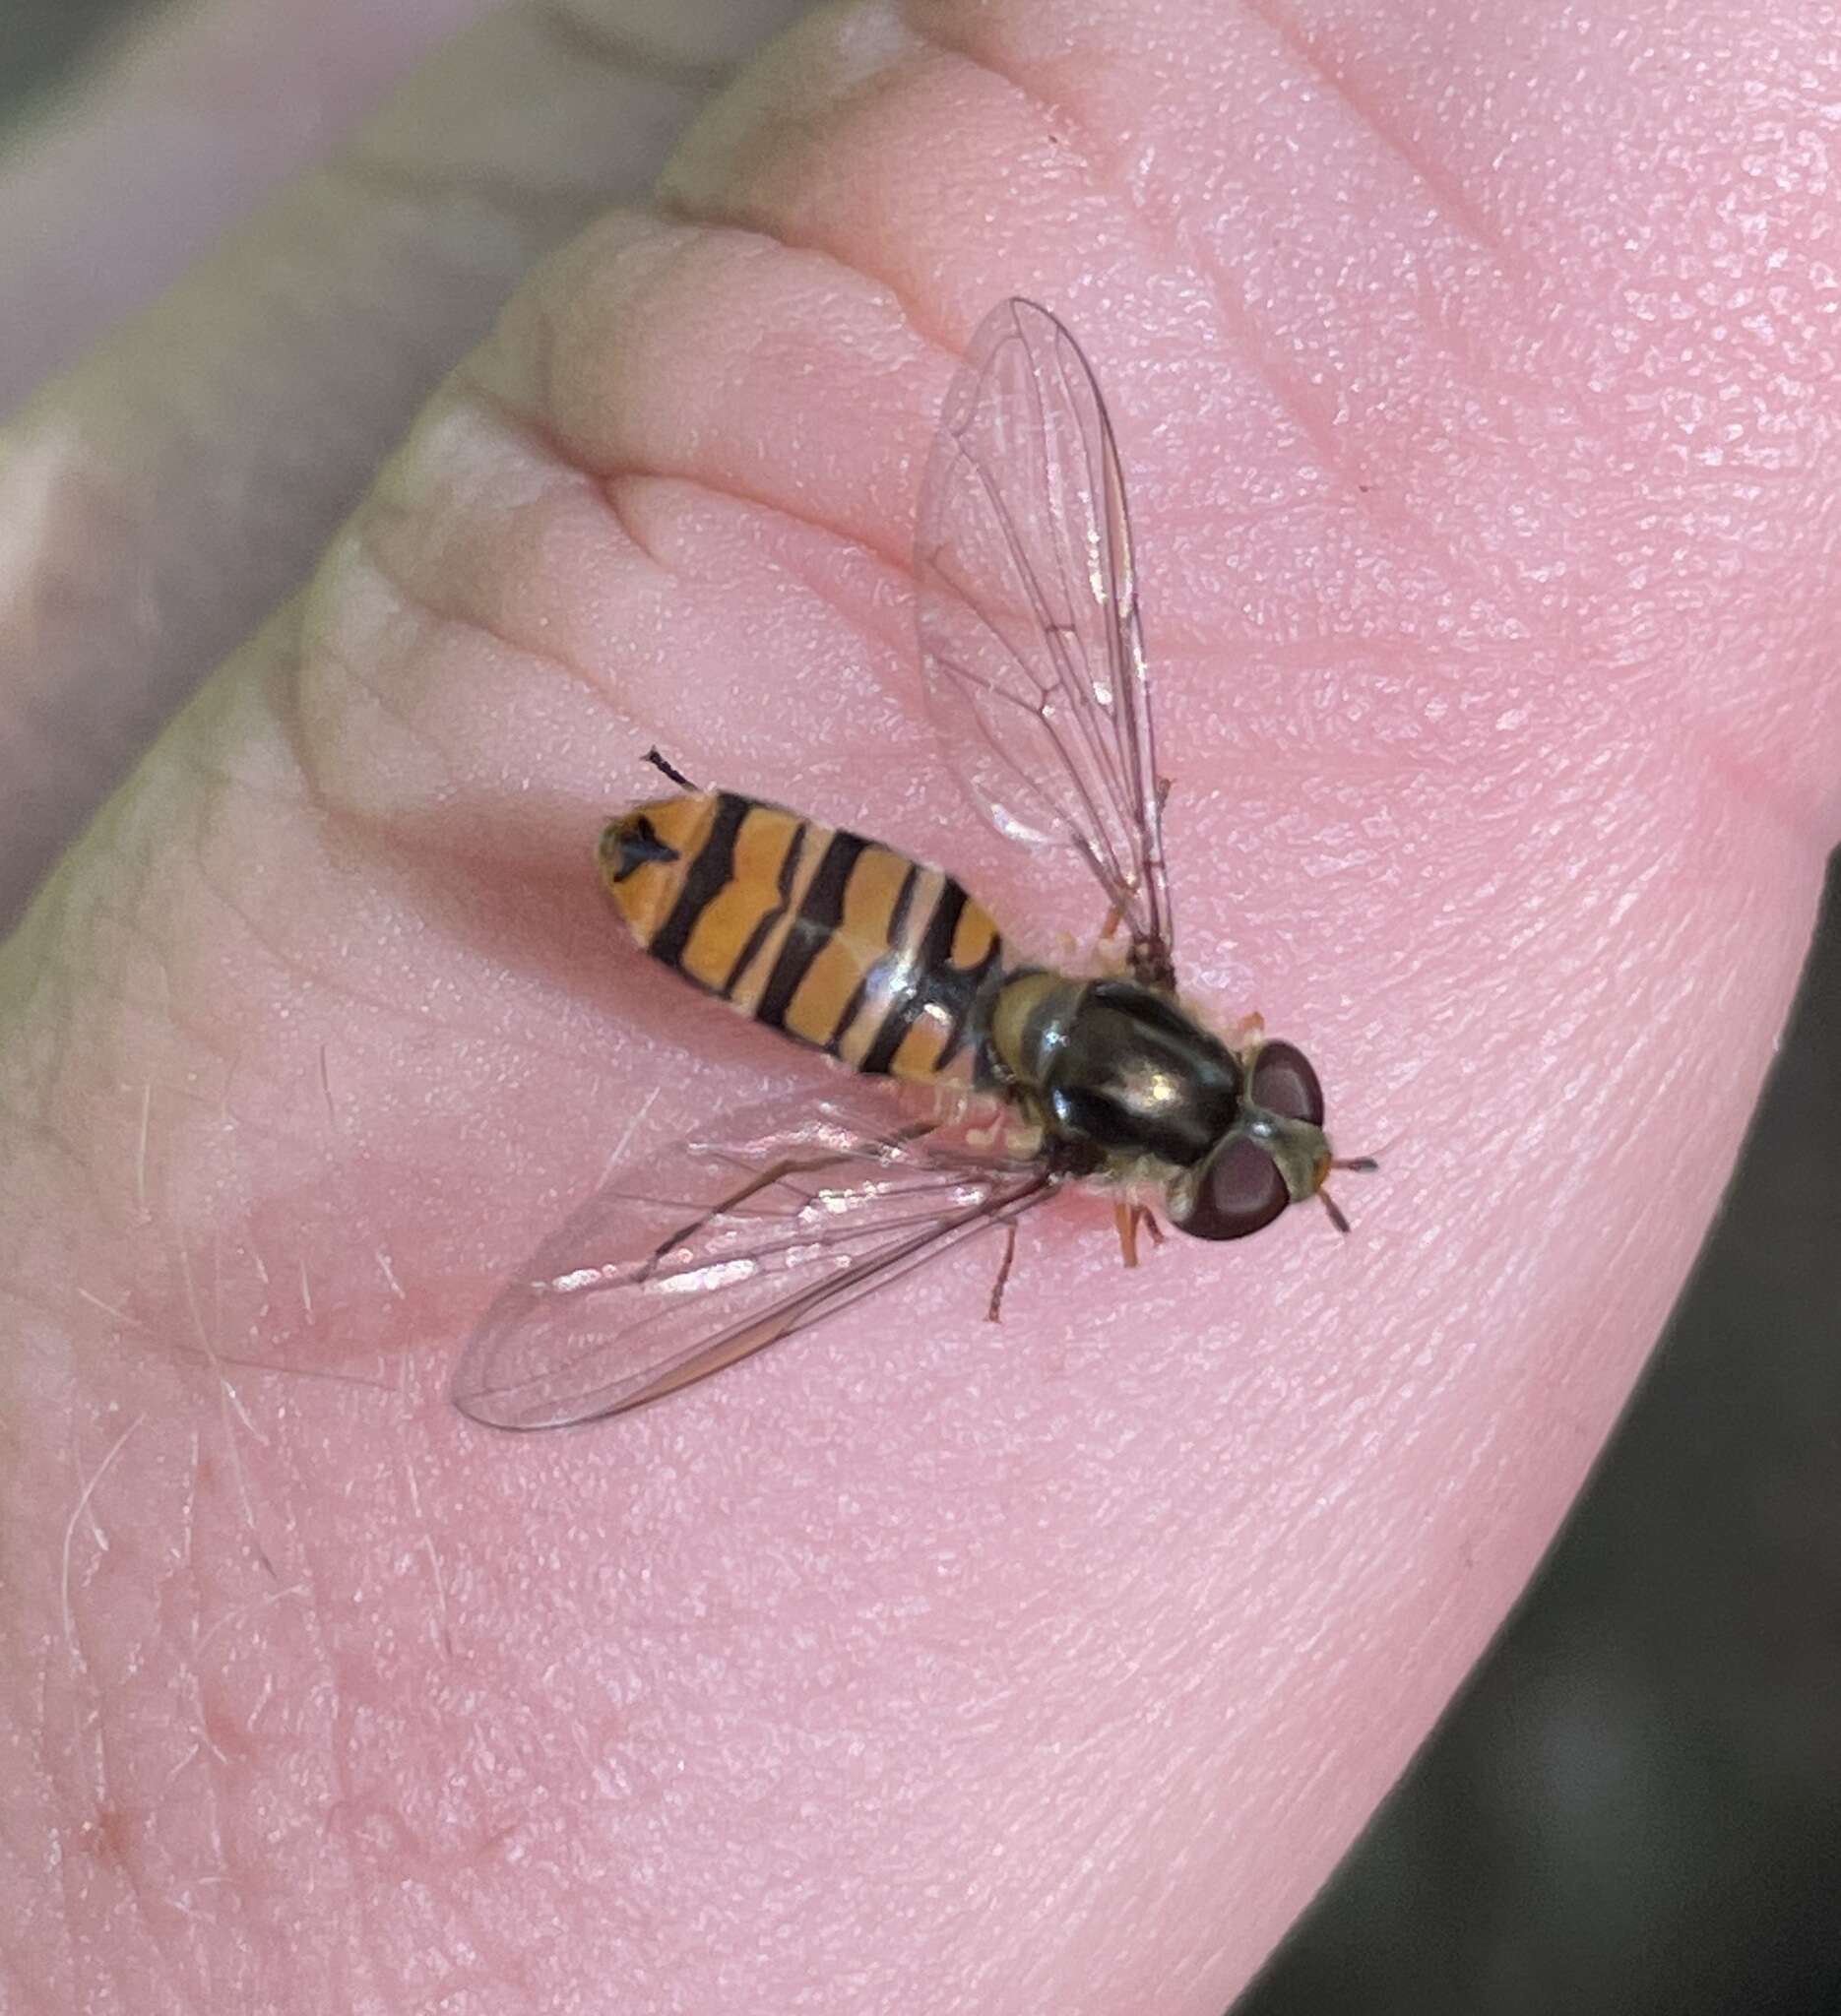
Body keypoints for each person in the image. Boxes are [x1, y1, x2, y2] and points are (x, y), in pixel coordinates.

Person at [3, 1, 1833, 2009]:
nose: (1261, 1135)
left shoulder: (1129, 932)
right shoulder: (1009, 1182)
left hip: (904, 935)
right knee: (806, 1222)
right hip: (862, 1007)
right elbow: (770, 1233)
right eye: (1255, 1134)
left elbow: (1055, 611)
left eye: (1252, 1137)